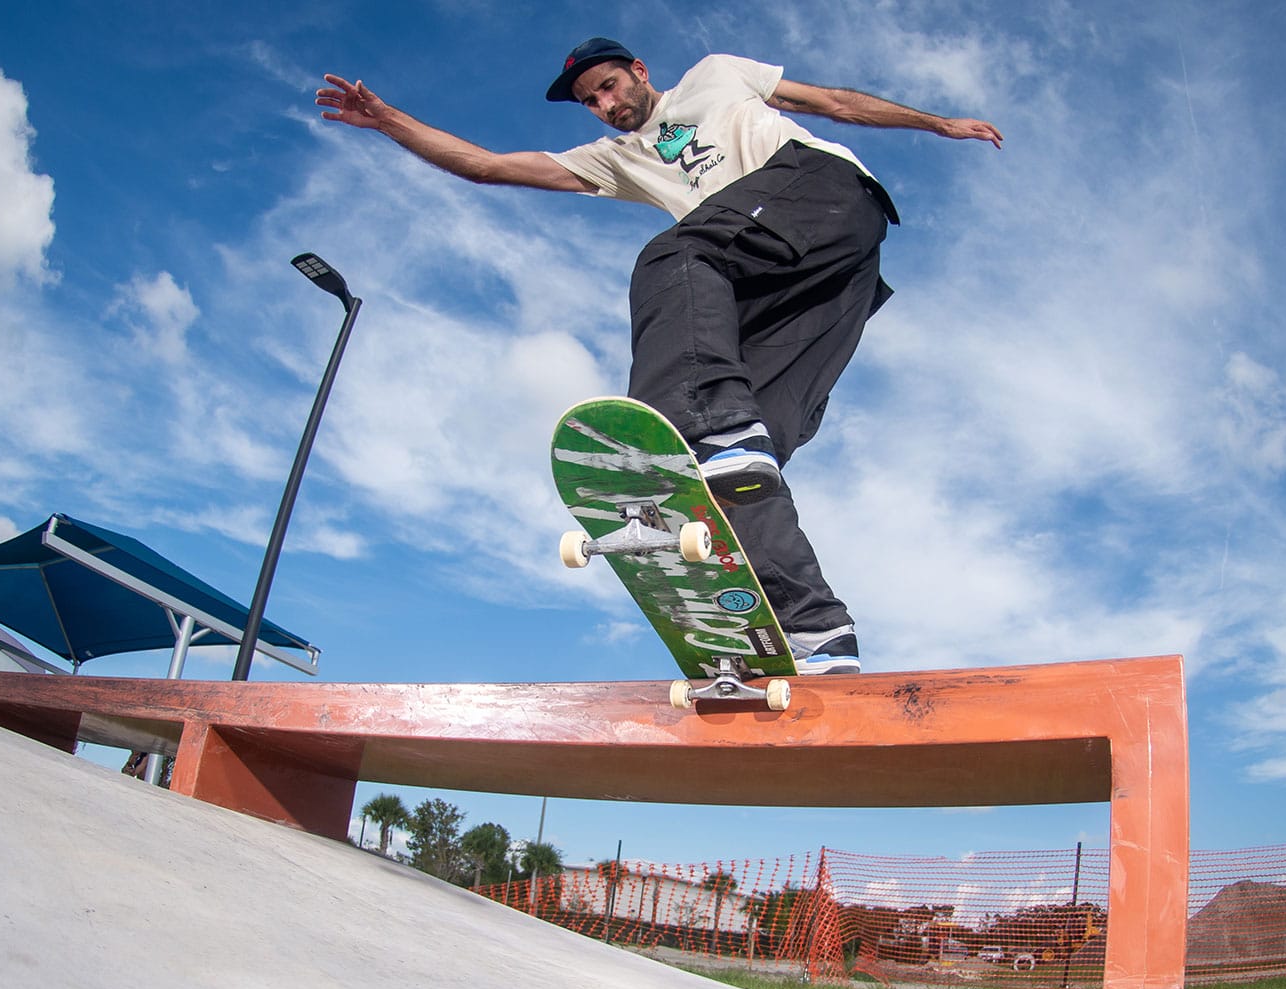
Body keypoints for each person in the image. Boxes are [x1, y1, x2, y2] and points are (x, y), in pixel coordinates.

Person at [318, 38, 1001, 674]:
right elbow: (490, 167)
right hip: (796, 283)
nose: (608, 107)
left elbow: (836, 103)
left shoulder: (715, 74)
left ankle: (705, 422)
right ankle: (815, 630)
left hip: (821, 198)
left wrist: (938, 124)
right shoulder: (614, 157)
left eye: (610, 88)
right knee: (735, 470)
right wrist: (389, 123)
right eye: (593, 102)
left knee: (676, 256)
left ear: (639, 71)